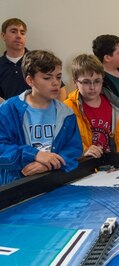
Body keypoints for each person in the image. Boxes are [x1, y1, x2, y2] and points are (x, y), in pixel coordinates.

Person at [0, 50, 82, 185]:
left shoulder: (66, 113)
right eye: (47, 78)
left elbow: (74, 149)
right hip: (16, 187)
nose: (55, 83)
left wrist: (50, 164)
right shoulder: (8, 110)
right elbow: (2, 148)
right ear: (30, 80)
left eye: (58, 77)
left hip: (54, 185)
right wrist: (34, 155)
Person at [0, 18, 67, 102]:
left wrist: (54, 113)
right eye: (13, 31)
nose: (18, 36)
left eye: (22, 33)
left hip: (40, 112)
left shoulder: (39, 60)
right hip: (10, 114)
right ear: (3, 36)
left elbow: (61, 91)